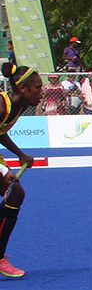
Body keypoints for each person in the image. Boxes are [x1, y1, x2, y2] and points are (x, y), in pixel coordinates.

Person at [0, 63, 41, 277]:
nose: (41, 93)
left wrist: (19, 154)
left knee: (15, 194)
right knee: (14, 191)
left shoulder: (19, 106)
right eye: (37, 88)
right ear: (23, 89)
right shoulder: (1, 104)